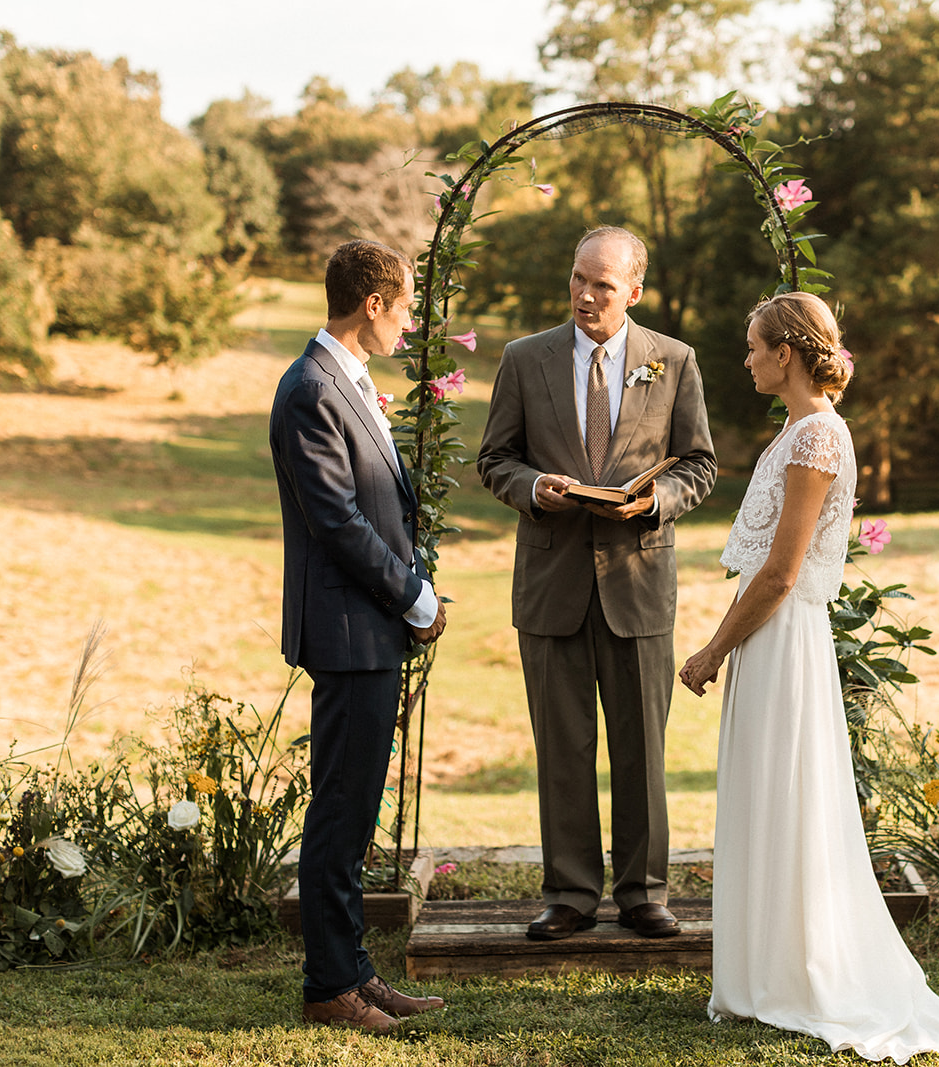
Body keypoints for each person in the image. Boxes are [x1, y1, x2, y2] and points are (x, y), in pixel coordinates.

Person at [679, 292, 939, 1062]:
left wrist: (712, 649)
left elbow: (782, 573)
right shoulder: (796, 430)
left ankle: (803, 972)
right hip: (769, 636)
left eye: (755, 345)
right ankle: (765, 970)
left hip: (782, 636)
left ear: (786, 353)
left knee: (787, 795)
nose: (748, 357)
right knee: (765, 794)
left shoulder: (818, 438)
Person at [477, 226, 717, 941]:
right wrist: (533, 489)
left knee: (642, 747)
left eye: (602, 285)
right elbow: (495, 459)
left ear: (634, 292)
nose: (584, 295)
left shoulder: (674, 361)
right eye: (578, 279)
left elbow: (699, 464)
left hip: (639, 583)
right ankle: (570, 893)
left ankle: (644, 892)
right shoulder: (525, 359)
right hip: (551, 583)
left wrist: (657, 500)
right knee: (561, 745)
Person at [269, 239, 449, 1032]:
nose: (409, 321)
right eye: (404, 304)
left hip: (367, 628)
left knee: (354, 807)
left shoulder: (347, 379)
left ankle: (355, 973)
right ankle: (327, 987)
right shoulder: (311, 388)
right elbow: (337, 519)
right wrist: (414, 595)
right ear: (371, 303)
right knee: (340, 811)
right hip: (349, 628)